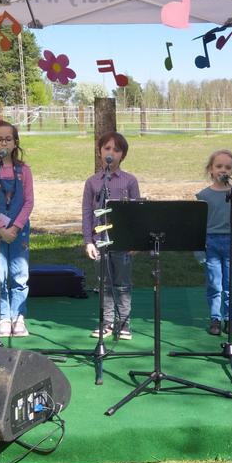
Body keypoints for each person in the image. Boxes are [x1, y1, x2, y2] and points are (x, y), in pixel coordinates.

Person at [0, 117, 34, 337]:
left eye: (8, 139)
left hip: (19, 229)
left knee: (19, 273)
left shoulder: (24, 170)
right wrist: (0, 228)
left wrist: (16, 227)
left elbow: (29, 201)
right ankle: (3, 315)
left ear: (15, 142)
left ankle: (18, 316)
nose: (4, 143)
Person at [82, 131, 140, 340]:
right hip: (100, 241)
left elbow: (136, 213)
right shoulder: (92, 182)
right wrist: (88, 241)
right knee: (104, 283)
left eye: (116, 150)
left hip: (123, 242)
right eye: (107, 148)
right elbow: (87, 212)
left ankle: (123, 323)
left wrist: (135, 240)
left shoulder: (130, 181)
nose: (111, 153)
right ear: (99, 152)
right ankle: (106, 323)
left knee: (123, 283)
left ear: (122, 155)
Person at [196, 149, 232, 336]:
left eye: (228, 167)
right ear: (210, 169)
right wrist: (199, 252)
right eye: (219, 166)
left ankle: (230, 317)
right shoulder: (203, 196)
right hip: (211, 243)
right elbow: (198, 227)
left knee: (231, 284)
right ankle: (215, 318)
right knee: (214, 283)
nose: (223, 170)